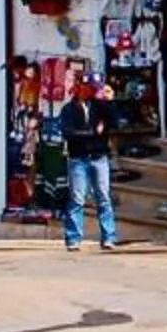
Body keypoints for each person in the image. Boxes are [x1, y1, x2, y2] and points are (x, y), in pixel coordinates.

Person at [59, 70, 118, 251]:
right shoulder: (69, 109)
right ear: (80, 87)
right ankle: (73, 238)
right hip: (78, 158)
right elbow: (69, 133)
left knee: (104, 197)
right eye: (90, 88)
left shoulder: (99, 107)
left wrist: (110, 101)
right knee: (77, 198)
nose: (93, 91)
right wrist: (92, 133)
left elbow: (115, 122)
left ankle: (108, 237)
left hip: (99, 157)